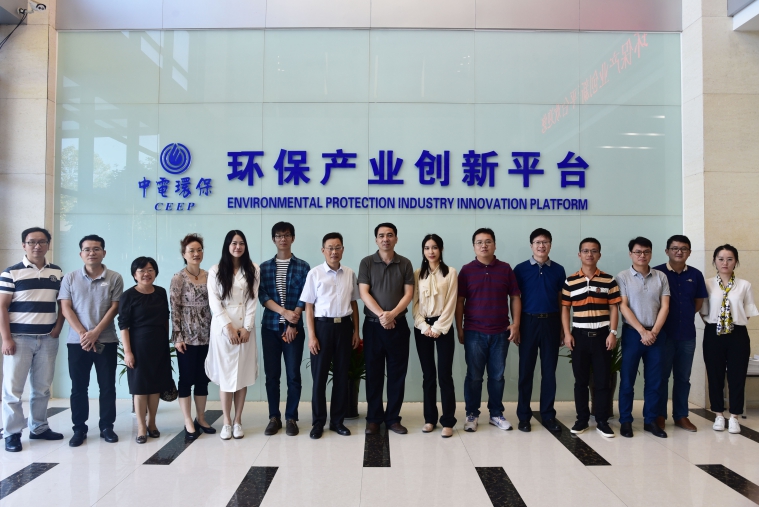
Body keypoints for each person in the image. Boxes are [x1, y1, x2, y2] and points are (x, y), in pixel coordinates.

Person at [1, 227, 65, 452]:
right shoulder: (11, 273)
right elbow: (2, 307)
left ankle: (39, 427)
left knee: (42, 388)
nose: (37, 246)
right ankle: (12, 433)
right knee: (13, 389)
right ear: (24, 245)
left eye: (42, 242)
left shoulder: (57, 272)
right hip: (19, 339)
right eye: (32, 242)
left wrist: (57, 328)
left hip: (48, 339)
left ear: (48, 244)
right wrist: (6, 339)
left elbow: (63, 304)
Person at [59, 234, 123, 447]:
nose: (91, 253)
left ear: (104, 252)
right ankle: (79, 428)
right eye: (87, 249)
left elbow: (115, 307)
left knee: (107, 386)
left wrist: (95, 333)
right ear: (81, 254)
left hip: (106, 341)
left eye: (96, 249)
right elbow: (65, 307)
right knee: (78, 387)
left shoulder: (114, 277)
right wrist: (83, 334)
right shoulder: (70, 278)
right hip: (77, 342)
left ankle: (107, 426)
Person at [455, 228, 521, 433]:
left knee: (497, 376)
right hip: (474, 332)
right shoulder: (466, 270)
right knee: (474, 376)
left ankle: (496, 414)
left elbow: (515, 297)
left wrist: (516, 324)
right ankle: (472, 414)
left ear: (494, 245)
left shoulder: (505, 269)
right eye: (479, 242)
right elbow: (459, 301)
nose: (484, 245)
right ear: (474, 246)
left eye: (488, 241)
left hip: (500, 332)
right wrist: (459, 328)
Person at [301, 232, 361, 439]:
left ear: (342, 249)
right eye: (330, 248)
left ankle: (337, 421)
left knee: (342, 377)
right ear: (323, 250)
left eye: (337, 247)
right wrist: (312, 336)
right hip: (322, 328)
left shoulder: (350, 273)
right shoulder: (315, 274)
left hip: (344, 327)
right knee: (319, 378)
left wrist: (356, 331)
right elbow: (309, 307)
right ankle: (318, 422)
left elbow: (354, 304)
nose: (334, 251)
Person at [561, 237, 621, 438]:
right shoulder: (570, 281)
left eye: (594, 251)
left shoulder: (608, 280)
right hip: (579, 337)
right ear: (579, 254)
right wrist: (567, 333)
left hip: (602, 336)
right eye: (585, 251)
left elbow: (614, 307)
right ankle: (582, 420)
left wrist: (613, 333)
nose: (589, 254)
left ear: (599, 255)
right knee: (580, 381)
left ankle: (602, 421)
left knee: (603, 381)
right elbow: (565, 309)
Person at [359, 223, 414, 435]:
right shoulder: (366, 262)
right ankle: (373, 418)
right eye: (381, 235)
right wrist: (383, 315)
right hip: (373, 327)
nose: (385, 239)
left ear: (396, 239)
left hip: (398, 326)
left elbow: (408, 294)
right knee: (373, 374)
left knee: (397, 374)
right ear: (376, 240)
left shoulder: (405, 263)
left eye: (390, 235)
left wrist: (392, 315)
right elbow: (364, 293)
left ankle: (392, 418)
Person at [206, 230, 260, 440]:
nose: (238, 247)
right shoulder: (215, 270)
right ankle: (226, 422)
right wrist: (228, 327)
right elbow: (214, 302)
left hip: (245, 328)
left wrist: (247, 328)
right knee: (226, 375)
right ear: (227, 245)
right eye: (234, 243)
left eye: (241, 243)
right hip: (223, 329)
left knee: (242, 375)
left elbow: (252, 300)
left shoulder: (253, 268)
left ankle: (238, 421)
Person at [258, 222, 310, 437]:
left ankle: (291, 418)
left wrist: (292, 323)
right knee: (272, 376)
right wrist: (284, 313)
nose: (283, 239)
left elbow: (306, 295)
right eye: (279, 236)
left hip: (294, 330)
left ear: (293, 238)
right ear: (273, 239)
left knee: (293, 375)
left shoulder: (303, 266)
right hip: (270, 327)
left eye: (287, 235)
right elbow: (262, 295)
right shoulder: (264, 268)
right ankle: (274, 417)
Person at [700, 244, 758, 434]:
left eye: (730, 259)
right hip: (713, 333)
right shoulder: (707, 284)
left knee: (737, 376)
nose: (725, 263)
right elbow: (703, 311)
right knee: (714, 374)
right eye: (721, 259)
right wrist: (718, 323)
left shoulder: (744, 285)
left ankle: (734, 417)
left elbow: (747, 311)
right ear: (715, 261)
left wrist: (732, 322)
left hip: (737, 333)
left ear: (736, 261)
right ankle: (718, 414)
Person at [653, 235, 707, 432]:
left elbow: (698, 302)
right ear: (667, 251)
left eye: (684, 249)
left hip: (687, 334)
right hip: (663, 334)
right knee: (661, 377)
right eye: (675, 248)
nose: (679, 252)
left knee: (683, 378)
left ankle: (681, 415)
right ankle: (659, 415)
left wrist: (685, 314)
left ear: (689, 252)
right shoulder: (656, 273)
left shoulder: (696, 274)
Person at [616, 237, 670, 439]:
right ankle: (626, 421)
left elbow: (665, 306)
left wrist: (653, 332)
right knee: (627, 379)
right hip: (633, 333)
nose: (642, 255)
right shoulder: (622, 277)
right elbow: (623, 306)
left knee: (654, 380)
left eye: (646, 252)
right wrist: (642, 331)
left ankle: (651, 421)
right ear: (630, 254)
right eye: (638, 252)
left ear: (651, 253)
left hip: (656, 334)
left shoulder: (661, 277)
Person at [513, 228, 566, 433]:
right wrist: (516, 325)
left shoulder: (559, 270)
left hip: (551, 323)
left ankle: (548, 415)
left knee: (549, 372)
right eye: (537, 242)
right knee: (525, 371)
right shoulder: (520, 269)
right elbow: (515, 299)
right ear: (531, 245)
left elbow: (561, 300)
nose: (541, 246)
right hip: (528, 323)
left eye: (545, 242)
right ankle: (524, 416)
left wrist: (562, 328)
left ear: (550, 245)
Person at [118, 256, 173, 444]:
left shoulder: (161, 292)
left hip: (159, 345)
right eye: (141, 271)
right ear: (134, 274)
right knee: (140, 388)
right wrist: (128, 352)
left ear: (155, 272)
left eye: (150, 270)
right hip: (138, 346)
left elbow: (166, 318)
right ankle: (141, 427)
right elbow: (123, 326)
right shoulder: (128, 296)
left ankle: (152, 423)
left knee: (155, 387)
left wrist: (166, 343)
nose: (146, 274)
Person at [412, 234, 458, 438]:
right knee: (428, 375)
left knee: (445, 375)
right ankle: (430, 419)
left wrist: (437, 328)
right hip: (422, 327)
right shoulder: (417, 274)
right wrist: (424, 326)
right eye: (427, 248)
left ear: (441, 249)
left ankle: (448, 421)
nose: (431, 251)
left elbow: (451, 303)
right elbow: (414, 303)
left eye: (435, 247)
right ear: (423, 251)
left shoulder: (451, 273)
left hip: (444, 326)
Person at [170, 234, 214, 441]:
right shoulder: (178, 278)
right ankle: (188, 420)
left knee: (203, 378)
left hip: (207, 335)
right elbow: (174, 309)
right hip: (186, 337)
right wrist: (177, 337)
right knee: (186, 379)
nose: (196, 254)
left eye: (199, 250)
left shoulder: (210, 276)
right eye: (191, 251)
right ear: (184, 254)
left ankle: (201, 418)